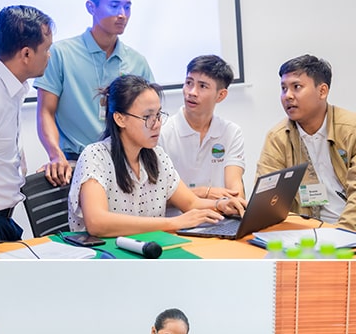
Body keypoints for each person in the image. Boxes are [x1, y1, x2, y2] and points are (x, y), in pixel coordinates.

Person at [67, 74, 246, 237]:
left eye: (158, 115)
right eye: (148, 117)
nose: (157, 124)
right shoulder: (95, 156)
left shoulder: (156, 156)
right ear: (120, 119)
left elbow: (190, 203)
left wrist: (221, 205)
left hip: (146, 251)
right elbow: (97, 223)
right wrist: (172, 223)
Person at [35, 0, 154, 186]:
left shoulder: (137, 62)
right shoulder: (60, 54)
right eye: (114, 5)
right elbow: (45, 111)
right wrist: (55, 154)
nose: (122, 14)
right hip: (75, 161)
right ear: (91, 7)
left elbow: (149, 117)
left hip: (125, 162)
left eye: (127, 6)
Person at [0, 5, 54, 244]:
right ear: (26, 54)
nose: (49, 56)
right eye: (47, 49)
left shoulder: (12, 87)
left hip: (0, 219)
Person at [256, 55, 356, 230]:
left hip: (348, 229)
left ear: (322, 91)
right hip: (306, 232)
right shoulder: (278, 137)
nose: (287, 96)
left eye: (297, 87)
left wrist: (341, 236)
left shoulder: (350, 129)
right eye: (283, 88)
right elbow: (266, 201)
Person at [159, 55, 246, 207]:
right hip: (175, 223)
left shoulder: (231, 132)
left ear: (221, 95)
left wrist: (236, 204)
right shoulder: (162, 132)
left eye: (202, 86)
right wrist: (203, 192)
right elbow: (154, 198)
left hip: (218, 219)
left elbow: (235, 187)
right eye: (188, 83)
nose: (191, 92)